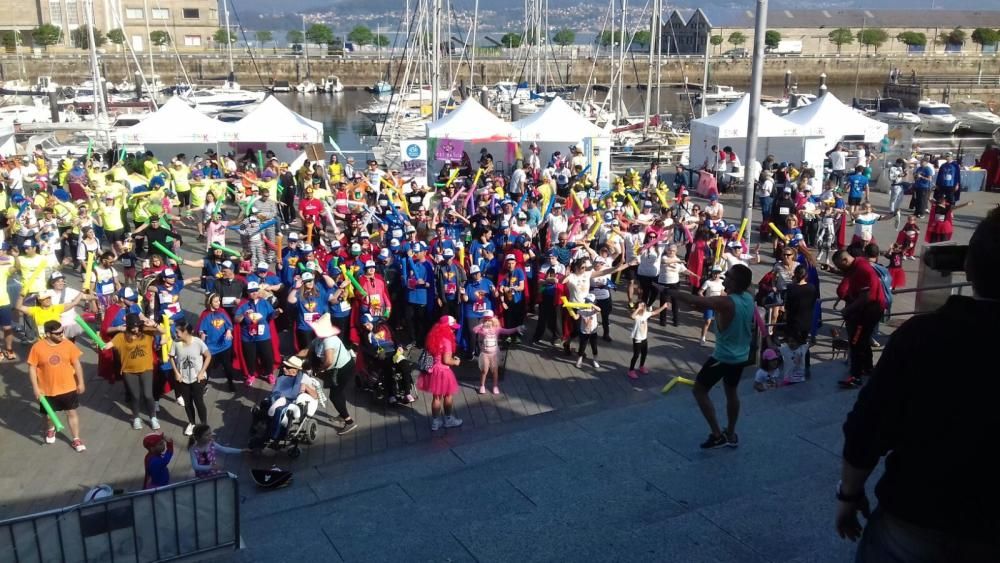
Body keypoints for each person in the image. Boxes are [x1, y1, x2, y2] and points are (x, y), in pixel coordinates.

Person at [835, 206, 1000, 562]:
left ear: (969, 268)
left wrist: (849, 494)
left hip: (917, 516)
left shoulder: (922, 337)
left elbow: (868, 426)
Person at [668, 264, 755, 449]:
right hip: (741, 356)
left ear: (735, 282)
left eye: (729, 276)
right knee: (731, 392)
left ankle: (717, 435)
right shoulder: (749, 297)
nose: (725, 278)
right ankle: (730, 433)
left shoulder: (726, 302)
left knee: (699, 390)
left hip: (723, 358)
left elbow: (695, 300)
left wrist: (670, 291)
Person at [27, 320, 86, 452]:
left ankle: (76, 439)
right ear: (48, 334)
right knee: (48, 416)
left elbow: (76, 364)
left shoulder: (68, 345)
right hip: (46, 390)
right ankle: (50, 429)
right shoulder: (37, 347)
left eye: (62, 331)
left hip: (68, 387)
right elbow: (32, 368)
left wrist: (80, 382)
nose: (62, 335)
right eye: (58, 333)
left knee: (72, 412)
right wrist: (36, 388)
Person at [832, 249, 887, 389]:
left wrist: (848, 309)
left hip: (868, 312)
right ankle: (868, 368)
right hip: (867, 310)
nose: (840, 269)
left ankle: (855, 376)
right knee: (863, 340)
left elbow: (865, 297)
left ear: (845, 260)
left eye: (839, 266)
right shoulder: (858, 264)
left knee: (856, 342)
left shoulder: (861, 270)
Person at [304, 314, 358, 435]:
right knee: (339, 392)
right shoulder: (319, 338)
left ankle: (349, 422)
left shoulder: (329, 340)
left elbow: (328, 361)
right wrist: (293, 358)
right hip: (337, 369)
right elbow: (309, 349)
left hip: (343, 370)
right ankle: (342, 414)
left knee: (335, 396)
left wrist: (319, 370)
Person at [109, 313, 164, 430]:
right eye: (133, 327)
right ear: (128, 327)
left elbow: (162, 331)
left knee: (148, 395)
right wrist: (102, 343)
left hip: (146, 369)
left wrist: (154, 324)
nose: (136, 329)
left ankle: (153, 417)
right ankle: (136, 418)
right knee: (135, 396)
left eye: (138, 326)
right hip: (129, 371)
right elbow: (107, 345)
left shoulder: (147, 333)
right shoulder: (120, 337)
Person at [418, 315, 463, 431]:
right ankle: (448, 420)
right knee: (448, 395)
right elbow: (446, 360)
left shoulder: (433, 337)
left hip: (433, 371)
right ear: (445, 328)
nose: (454, 330)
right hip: (443, 372)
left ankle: (435, 422)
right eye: (452, 328)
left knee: (436, 398)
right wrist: (456, 362)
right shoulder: (447, 341)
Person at [170, 321, 212, 436]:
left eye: (178, 332)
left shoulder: (198, 342)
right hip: (183, 379)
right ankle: (192, 423)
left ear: (185, 332)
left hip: (197, 378)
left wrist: (202, 372)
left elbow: (208, 356)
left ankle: (204, 424)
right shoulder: (176, 343)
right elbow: (172, 357)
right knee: (188, 403)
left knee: (198, 401)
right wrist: (176, 373)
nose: (176, 334)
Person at [471, 310, 522, 395]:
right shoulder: (482, 329)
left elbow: (507, 331)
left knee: (495, 371)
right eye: (485, 320)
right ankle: (482, 385)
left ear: (493, 320)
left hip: (494, 354)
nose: (488, 322)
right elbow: (474, 330)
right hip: (485, 354)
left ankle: (495, 386)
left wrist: (516, 329)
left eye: (489, 320)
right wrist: (481, 325)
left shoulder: (497, 329)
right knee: (484, 371)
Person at [627, 300, 669, 379]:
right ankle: (631, 370)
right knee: (636, 355)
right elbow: (632, 316)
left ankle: (641, 366)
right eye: (641, 306)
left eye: (643, 306)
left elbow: (655, 312)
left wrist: (664, 306)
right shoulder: (637, 316)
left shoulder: (646, 314)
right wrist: (638, 309)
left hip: (644, 338)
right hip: (637, 339)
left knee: (644, 353)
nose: (643, 308)